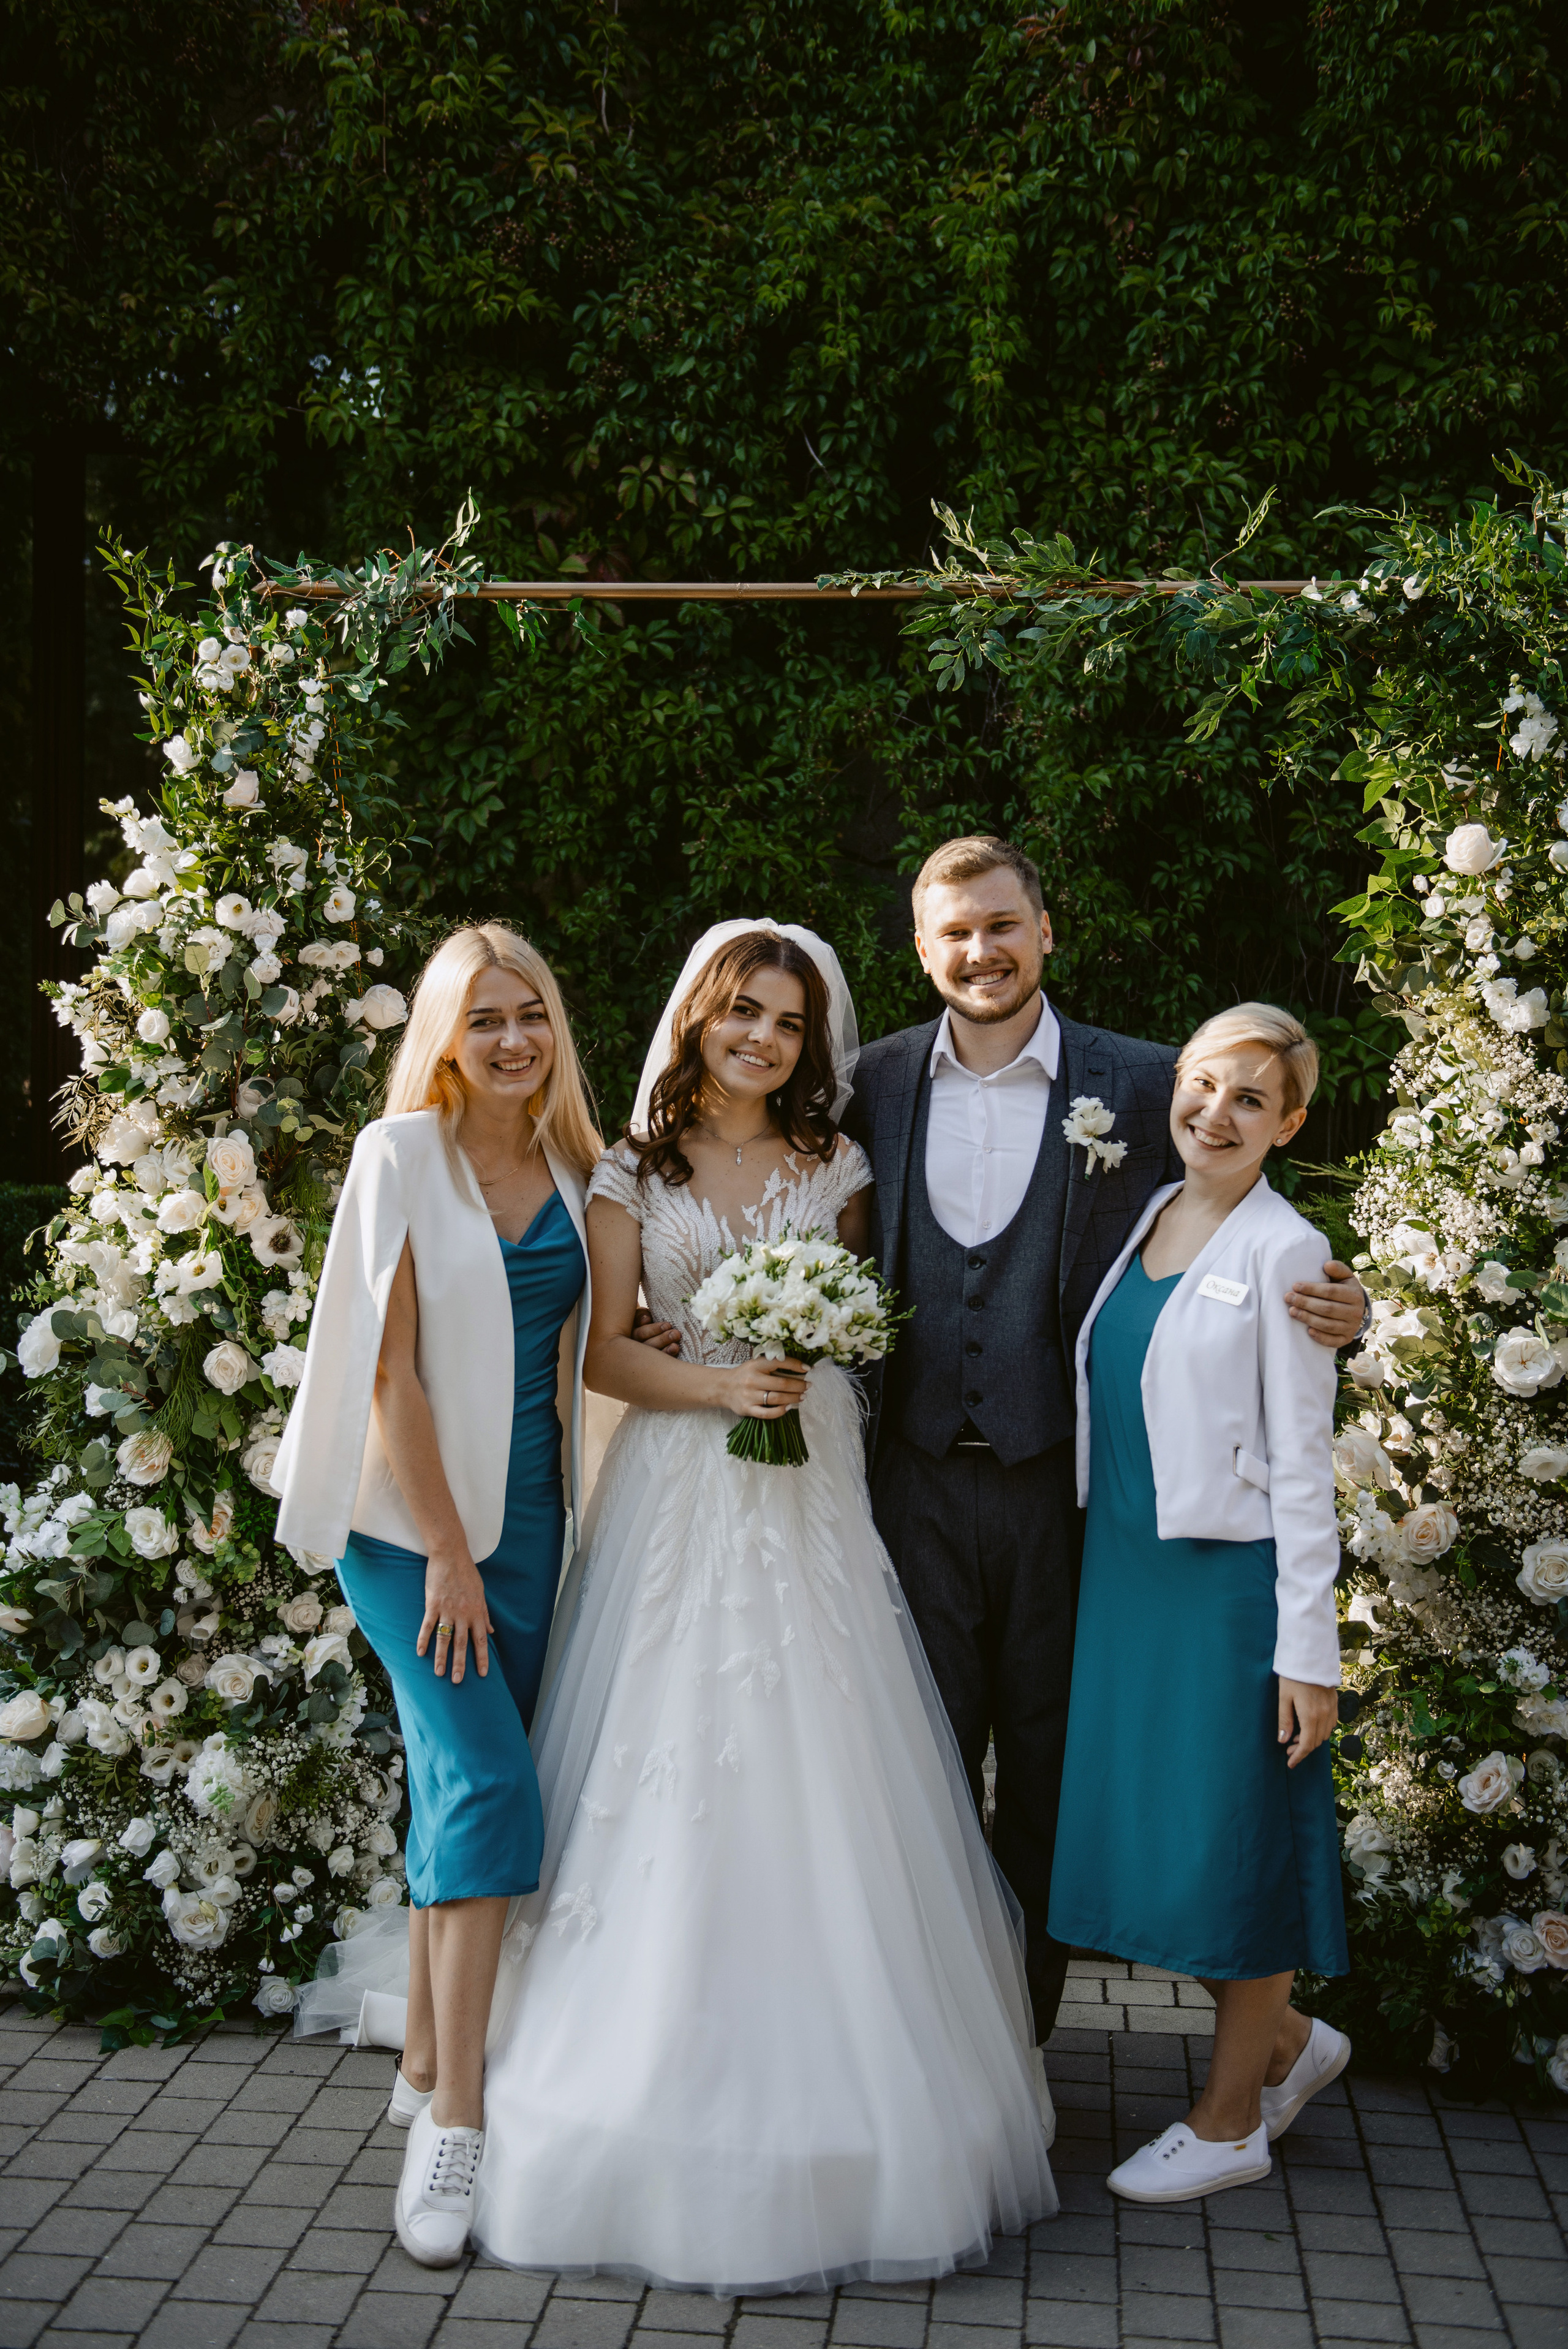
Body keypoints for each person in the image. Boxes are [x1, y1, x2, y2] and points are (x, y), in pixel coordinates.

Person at [471, 920, 1057, 2293]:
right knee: (668, 1755)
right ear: (699, 1019)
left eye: (788, 1024)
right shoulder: (628, 1172)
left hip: (810, 1490)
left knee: (830, 1752)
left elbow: (856, 1324)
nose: (764, 1040)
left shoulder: (836, 1165)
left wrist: (799, 1362)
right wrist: (720, 1384)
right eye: (744, 1014)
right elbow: (607, 1355)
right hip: (684, 1488)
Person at [838, 837, 1366, 2043]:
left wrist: (1351, 1302)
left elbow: (1245, 1220)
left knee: (1046, 1783)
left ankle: (1017, 2060)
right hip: (907, 1484)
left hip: (1065, 1502)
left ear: (1043, 931)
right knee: (909, 1773)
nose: (980, 951)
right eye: (953, 932)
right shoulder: (866, 1082)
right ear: (921, 950)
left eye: (1000, 925)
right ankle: (919, 2050)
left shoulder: (1140, 1081)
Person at [273, 923, 601, 2266]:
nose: (511, 1039)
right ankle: (454, 2124)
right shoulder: (398, 1159)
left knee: (449, 1783)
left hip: (536, 1528)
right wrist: (450, 1554)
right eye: (483, 1021)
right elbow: (389, 1377)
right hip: (413, 1530)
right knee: (488, 1788)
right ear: (445, 1038)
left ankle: (420, 2050)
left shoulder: (583, 1171)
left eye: (530, 1014)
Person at [1050, 1003, 1351, 2204]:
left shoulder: (1284, 1249)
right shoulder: (1146, 1214)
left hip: (1226, 1587)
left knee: (1234, 1846)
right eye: (1200, 1086)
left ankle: (1229, 2124)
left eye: (1246, 1098)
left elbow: (1300, 1465)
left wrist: (1305, 1652)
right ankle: (1286, 2046)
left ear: (1285, 1122)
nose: (1213, 1114)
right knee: (1167, 1846)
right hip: (1127, 1570)